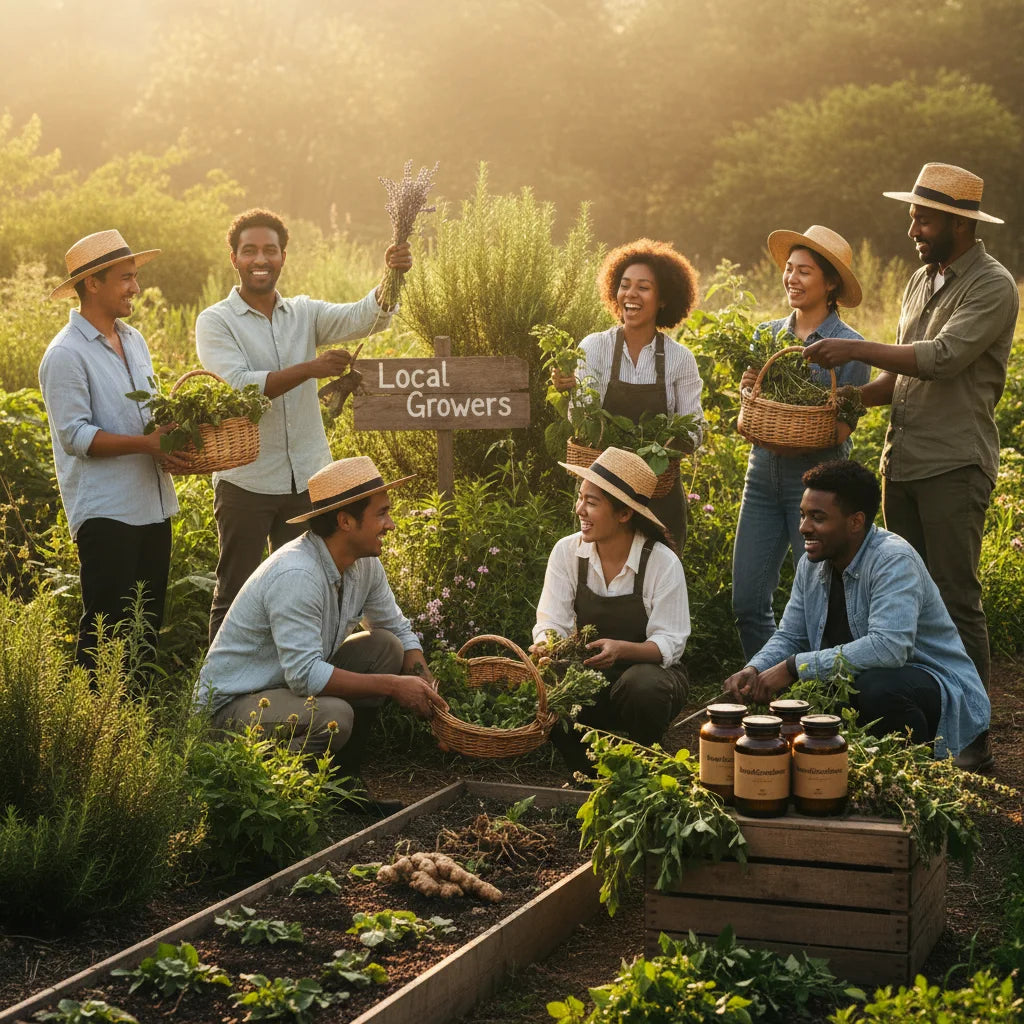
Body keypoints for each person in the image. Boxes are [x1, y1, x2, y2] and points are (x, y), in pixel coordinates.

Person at [804, 163, 1018, 772]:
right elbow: (898, 379)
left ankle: (974, 736)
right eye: (913, 216)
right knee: (910, 603)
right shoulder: (920, 282)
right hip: (905, 460)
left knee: (956, 597)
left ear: (958, 222)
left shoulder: (992, 285)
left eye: (923, 218)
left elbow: (942, 359)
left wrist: (851, 348)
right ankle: (922, 727)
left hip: (954, 464)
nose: (913, 228)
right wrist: (850, 397)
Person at [196, 208, 413, 642]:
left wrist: (392, 277)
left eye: (270, 250)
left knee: (307, 586)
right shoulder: (215, 321)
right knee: (236, 590)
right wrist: (311, 368)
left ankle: (298, 686)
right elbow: (240, 388)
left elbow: (364, 317)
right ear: (234, 258)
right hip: (247, 482)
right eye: (250, 250)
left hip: (309, 484)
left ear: (282, 257)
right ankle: (215, 696)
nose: (261, 259)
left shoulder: (303, 313)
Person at [195, 456, 446, 810]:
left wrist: (427, 689)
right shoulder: (298, 574)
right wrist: (393, 685)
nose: (390, 524)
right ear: (345, 521)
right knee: (334, 717)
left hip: (282, 692)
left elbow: (396, 630)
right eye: (382, 514)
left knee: (385, 647)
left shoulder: (365, 565)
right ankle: (267, 799)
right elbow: (304, 676)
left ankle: (345, 786)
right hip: (233, 709)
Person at [724, 460, 990, 761]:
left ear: (855, 522)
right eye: (802, 515)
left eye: (817, 517)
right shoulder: (812, 566)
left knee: (876, 687)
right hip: (862, 683)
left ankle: (916, 769)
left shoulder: (893, 560)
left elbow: (890, 648)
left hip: (936, 690)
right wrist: (755, 669)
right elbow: (791, 636)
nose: (803, 528)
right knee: (796, 704)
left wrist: (793, 667)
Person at [39, 230, 189, 670]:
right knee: (105, 634)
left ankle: (132, 729)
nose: (135, 288)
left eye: (135, 277)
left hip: (154, 506)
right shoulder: (65, 355)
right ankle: (90, 735)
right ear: (93, 283)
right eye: (126, 278)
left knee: (145, 631)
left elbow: (148, 418)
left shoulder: (135, 340)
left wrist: (170, 442)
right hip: (107, 514)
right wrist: (146, 443)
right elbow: (76, 437)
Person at [733, 225, 870, 660]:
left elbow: (839, 432)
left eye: (805, 271)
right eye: (789, 269)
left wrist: (799, 418)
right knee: (747, 601)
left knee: (819, 603)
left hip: (817, 488)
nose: (792, 278)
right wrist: (749, 389)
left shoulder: (851, 346)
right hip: (761, 477)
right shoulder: (766, 336)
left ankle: (815, 694)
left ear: (830, 282)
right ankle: (766, 691)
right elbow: (752, 414)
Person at [532, 447, 690, 775]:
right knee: (551, 688)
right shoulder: (567, 553)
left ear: (624, 514)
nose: (580, 510)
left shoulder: (661, 563)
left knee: (643, 687)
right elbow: (552, 621)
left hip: (649, 676)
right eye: (580, 498)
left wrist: (621, 650)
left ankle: (646, 751)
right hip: (591, 674)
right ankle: (585, 770)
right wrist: (549, 646)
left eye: (592, 503)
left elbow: (670, 644)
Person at [562, 239, 704, 550]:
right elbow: (582, 419)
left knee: (659, 582)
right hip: (603, 494)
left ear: (663, 299)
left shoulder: (680, 359)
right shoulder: (594, 348)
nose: (631, 294)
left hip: (659, 495)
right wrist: (568, 393)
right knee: (600, 583)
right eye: (625, 285)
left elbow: (694, 427)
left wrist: (663, 452)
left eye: (644, 287)